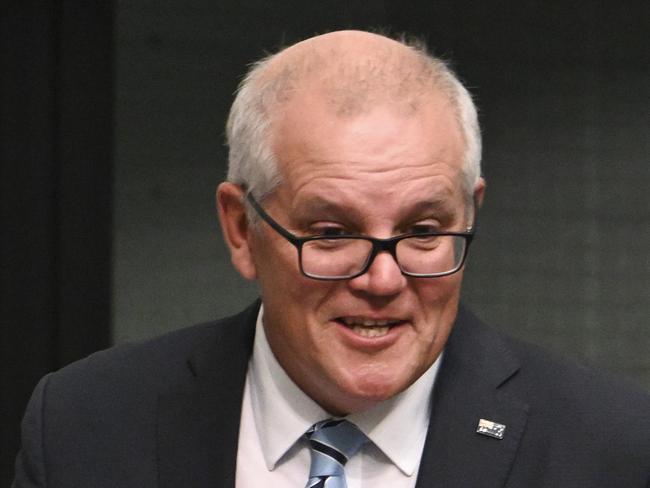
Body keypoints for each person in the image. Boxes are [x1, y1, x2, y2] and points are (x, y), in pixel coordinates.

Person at [13, 30, 650, 488]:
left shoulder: (610, 449)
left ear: (471, 214)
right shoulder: (85, 427)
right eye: (331, 232)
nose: (383, 279)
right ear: (241, 228)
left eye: (424, 230)